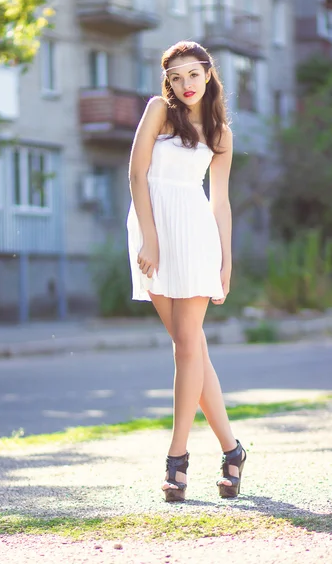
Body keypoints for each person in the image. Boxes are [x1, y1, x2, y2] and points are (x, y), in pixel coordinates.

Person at [127, 40, 246, 502]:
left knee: (186, 347)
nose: (185, 85)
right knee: (190, 346)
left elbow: (219, 202)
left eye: (193, 74)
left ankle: (177, 459)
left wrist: (227, 261)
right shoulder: (159, 110)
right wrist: (150, 238)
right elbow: (137, 174)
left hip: (196, 234)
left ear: (208, 73)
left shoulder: (220, 134)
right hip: (151, 227)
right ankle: (232, 450)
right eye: (176, 77)